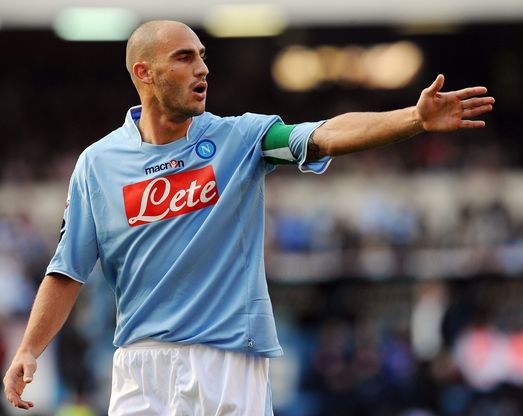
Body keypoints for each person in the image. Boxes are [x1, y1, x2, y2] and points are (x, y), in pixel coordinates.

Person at [3, 20, 494, 415]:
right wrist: (29, 349)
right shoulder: (98, 163)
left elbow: (324, 134)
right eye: (184, 57)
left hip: (230, 361)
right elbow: (67, 269)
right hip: (141, 362)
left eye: (202, 56)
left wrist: (413, 118)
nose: (202, 68)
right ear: (144, 72)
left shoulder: (242, 140)